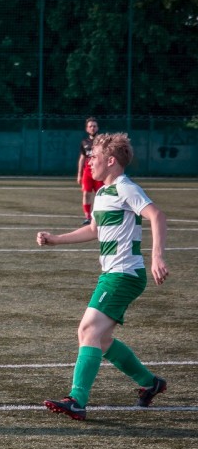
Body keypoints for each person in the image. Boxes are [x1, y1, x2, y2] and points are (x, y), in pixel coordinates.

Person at [37, 133, 168, 421]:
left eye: (93, 156)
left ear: (110, 161)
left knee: (88, 330)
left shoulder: (125, 187)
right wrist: (56, 239)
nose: (89, 161)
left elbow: (157, 215)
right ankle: (150, 383)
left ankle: (77, 400)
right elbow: (93, 230)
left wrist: (157, 256)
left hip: (124, 274)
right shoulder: (102, 193)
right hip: (113, 273)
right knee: (103, 339)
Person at [77, 116, 104, 225]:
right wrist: (79, 174)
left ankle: (98, 216)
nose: (92, 128)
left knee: (100, 195)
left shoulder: (102, 141)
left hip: (99, 172)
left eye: (94, 126)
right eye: (90, 126)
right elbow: (82, 158)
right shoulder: (84, 142)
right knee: (86, 194)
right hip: (87, 172)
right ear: (87, 129)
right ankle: (87, 217)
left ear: (98, 128)